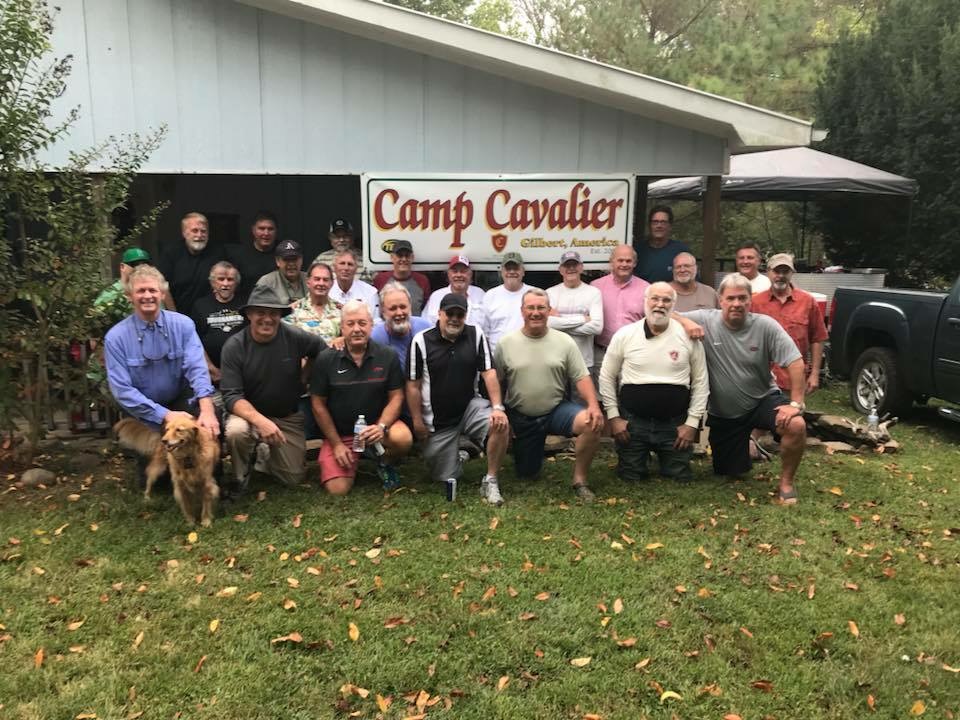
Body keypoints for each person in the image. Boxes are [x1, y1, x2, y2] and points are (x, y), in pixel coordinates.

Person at [679, 273, 807, 505]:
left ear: (750, 300)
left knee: (795, 425)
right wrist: (686, 322)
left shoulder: (766, 326)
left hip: (762, 400)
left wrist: (796, 404)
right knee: (729, 472)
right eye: (730, 298)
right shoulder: (704, 319)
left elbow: (795, 362)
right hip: (725, 414)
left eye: (742, 298)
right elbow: (662, 313)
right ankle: (748, 445)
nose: (736, 304)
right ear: (720, 300)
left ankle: (786, 484)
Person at [494, 288, 605, 503]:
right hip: (522, 416)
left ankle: (580, 481)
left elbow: (581, 377)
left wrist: (593, 405)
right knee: (527, 474)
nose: (535, 312)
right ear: (522, 311)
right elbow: (497, 381)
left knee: (590, 423)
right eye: (530, 308)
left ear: (549, 311)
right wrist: (500, 410)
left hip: (556, 410)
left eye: (541, 308)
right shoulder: (505, 343)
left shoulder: (564, 342)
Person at [220, 285, 327, 493]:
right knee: (236, 431)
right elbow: (231, 396)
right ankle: (240, 475)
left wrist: (305, 375)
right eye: (260, 312)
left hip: (286, 416)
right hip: (248, 417)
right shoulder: (234, 346)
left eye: (273, 313)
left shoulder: (294, 336)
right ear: (249, 315)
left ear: (280, 315)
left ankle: (262, 455)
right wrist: (260, 421)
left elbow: (321, 350)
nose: (267, 319)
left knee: (293, 478)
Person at [599, 282, 708, 482]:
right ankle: (639, 457)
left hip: (675, 425)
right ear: (645, 301)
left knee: (679, 477)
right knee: (630, 477)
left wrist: (691, 424)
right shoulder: (625, 334)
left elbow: (701, 381)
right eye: (655, 299)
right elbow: (606, 376)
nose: (660, 304)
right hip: (632, 423)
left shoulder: (688, 337)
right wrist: (614, 418)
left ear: (673, 305)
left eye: (666, 300)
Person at [407, 293, 510, 505]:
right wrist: (417, 421)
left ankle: (491, 480)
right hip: (438, 420)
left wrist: (498, 407)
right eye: (450, 313)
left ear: (465, 316)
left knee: (500, 424)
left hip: (469, 407)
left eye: (459, 314)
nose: (454, 318)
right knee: (443, 477)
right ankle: (463, 452)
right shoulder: (421, 341)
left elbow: (489, 373)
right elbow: (413, 386)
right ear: (439, 314)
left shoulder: (476, 334)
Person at [310, 300, 413, 495]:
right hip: (341, 434)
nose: (357, 329)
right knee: (337, 490)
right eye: (350, 324)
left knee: (403, 438)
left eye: (362, 323)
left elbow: (397, 397)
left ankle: (384, 461)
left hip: (376, 429)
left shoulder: (387, 355)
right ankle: (351, 458)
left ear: (371, 325)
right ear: (342, 327)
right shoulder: (326, 358)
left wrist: (381, 426)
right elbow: (317, 404)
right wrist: (336, 444)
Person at [104, 265, 219, 437]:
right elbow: (122, 390)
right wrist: (165, 415)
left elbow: (197, 368)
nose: (147, 296)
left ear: (163, 294)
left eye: (152, 290)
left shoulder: (184, 325)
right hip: (142, 412)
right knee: (149, 451)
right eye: (141, 291)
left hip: (181, 402)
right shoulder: (115, 338)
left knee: (209, 427)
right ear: (129, 296)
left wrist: (207, 410)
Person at [750, 253, 828, 395]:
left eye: (785, 271)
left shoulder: (807, 302)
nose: (781, 276)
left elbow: (818, 338)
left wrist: (815, 373)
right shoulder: (755, 303)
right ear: (768, 272)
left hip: (794, 380)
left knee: (793, 409)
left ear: (792, 273)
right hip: (761, 380)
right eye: (776, 271)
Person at [590, 244, 648, 375]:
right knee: (602, 389)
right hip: (602, 354)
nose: (624, 264)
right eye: (620, 260)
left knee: (629, 388)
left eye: (628, 261)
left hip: (633, 354)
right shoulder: (595, 287)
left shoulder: (646, 289)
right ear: (611, 262)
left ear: (635, 263)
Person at [546, 251, 604, 375]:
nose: (571, 268)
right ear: (560, 269)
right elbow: (548, 324)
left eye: (575, 265)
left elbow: (597, 327)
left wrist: (560, 322)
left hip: (584, 363)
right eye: (567, 265)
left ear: (581, 267)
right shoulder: (550, 293)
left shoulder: (593, 292)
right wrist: (582, 319)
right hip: (557, 361)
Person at [160, 212, 227, 315]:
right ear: (184, 233)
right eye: (195, 231)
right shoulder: (171, 253)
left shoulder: (218, 253)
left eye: (203, 231)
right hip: (180, 314)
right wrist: (174, 316)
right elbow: (163, 286)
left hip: (211, 316)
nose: (199, 235)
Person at [190, 261, 245, 386]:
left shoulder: (246, 304)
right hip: (211, 375)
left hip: (243, 372)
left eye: (230, 279)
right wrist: (211, 369)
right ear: (212, 282)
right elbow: (195, 342)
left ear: (236, 283)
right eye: (221, 279)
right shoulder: (200, 305)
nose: (225, 284)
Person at [371, 282, 432, 373]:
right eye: (393, 308)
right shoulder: (375, 338)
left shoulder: (426, 329)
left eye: (403, 307)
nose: (399, 313)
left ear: (410, 307)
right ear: (383, 311)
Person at [482, 251, 531, 350]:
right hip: (497, 354)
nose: (512, 272)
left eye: (516, 268)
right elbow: (485, 332)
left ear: (523, 271)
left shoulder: (533, 293)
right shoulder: (490, 295)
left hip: (527, 352)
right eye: (508, 268)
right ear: (502, 271)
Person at [422, 255, 486, 329]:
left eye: (463, 271)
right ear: (448, 274)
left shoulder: (480, 294)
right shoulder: (436, 296)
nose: (459, 275)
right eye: (455, 271)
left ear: (470, 274)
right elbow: (425, 324)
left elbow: (488, 325)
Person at [228, 211, 279, 301]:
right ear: (253, 230)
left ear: (276, 231)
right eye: (261, 229)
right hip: (247, 304)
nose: (266, 233)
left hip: (277, 304)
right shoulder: (240, 255)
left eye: (270, 229)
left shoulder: (283, 253)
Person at [284, 261, 342, 343]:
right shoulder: (293, 310)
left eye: (325, 280)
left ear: (331, 283)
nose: (321, 283)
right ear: (308, 282)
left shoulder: (341, 310)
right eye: (317, 279)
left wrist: (343, 339)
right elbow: (285, 340)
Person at [372, 239, 431, 315]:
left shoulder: (422, 280)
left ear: (412, 257)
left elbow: (426, 309)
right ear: (392, 257)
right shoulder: (380, 279)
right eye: (400, 255)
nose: (404, 259)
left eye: (407, 255)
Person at [635, 205, 691, 283]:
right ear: (649, 225)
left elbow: (691, 281)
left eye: (663, 222)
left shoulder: (681, 251)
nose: (659, 226)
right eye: (655, 222)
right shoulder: (638, 251)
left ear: (670, 226)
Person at [312, 218, 374, 283]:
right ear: (330, 238)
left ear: (352, 236)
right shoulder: (321, 259)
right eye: (337, 237)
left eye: (346, 236)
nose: (341, 240)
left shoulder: (366, 258)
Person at [253, 239, 308, 305]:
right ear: (277, 261)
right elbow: (256, 309)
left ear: (301, 260)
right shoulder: (266, 283)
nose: (291, 264)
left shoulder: (311, 279)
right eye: (286, 259)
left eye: (294, 259)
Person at [328, 249, 381, 318]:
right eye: (342, 263)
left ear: (356, 268)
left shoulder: (370, 292)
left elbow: (376, 321)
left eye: (350, 264)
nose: (346, 268)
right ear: (334, 267)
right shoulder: (326, 291)